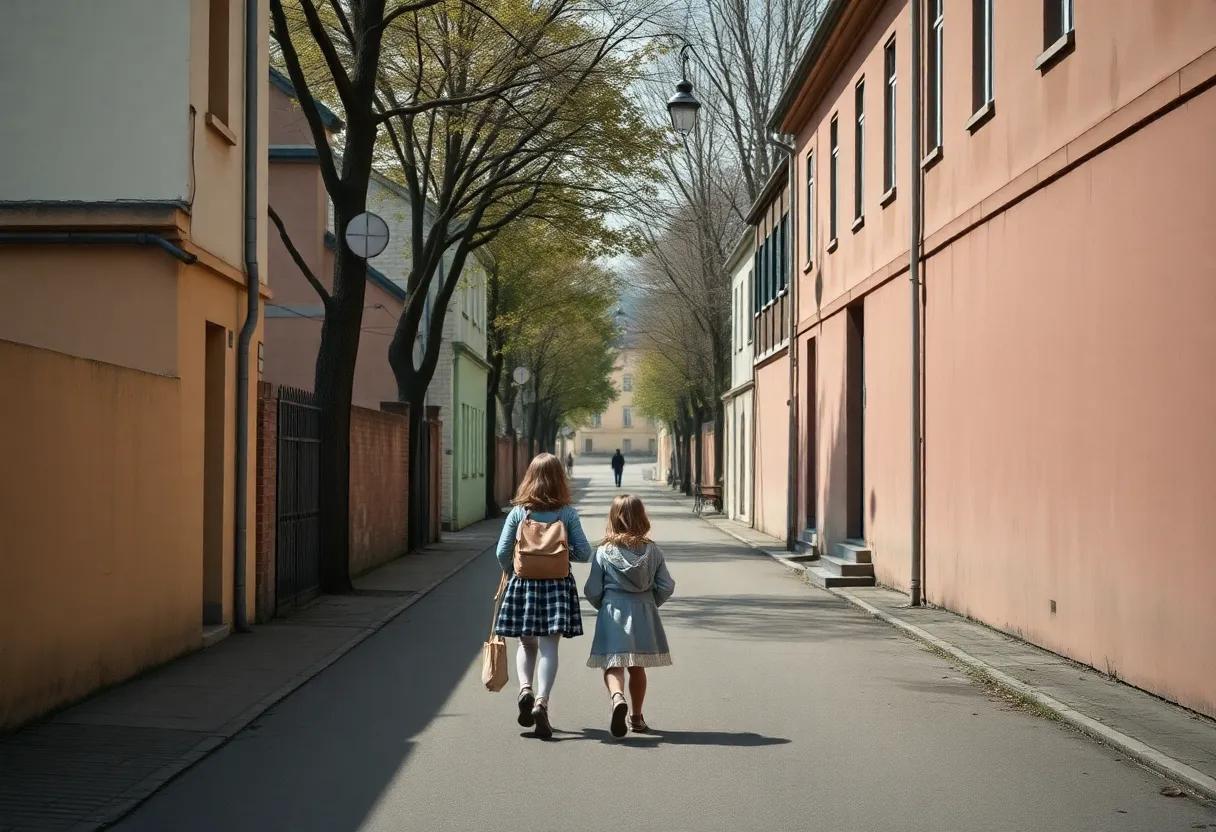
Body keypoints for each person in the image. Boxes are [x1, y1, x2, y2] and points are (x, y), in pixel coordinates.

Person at [494, 453, 592, 739]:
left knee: (526, 644)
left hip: (524, 584)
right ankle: (541, 702)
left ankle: (525, 689)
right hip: (557, 586)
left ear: (530, 478)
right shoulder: (566, 513)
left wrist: (514, 570)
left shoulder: (519, 513)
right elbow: (584, 552)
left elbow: (501, 552)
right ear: (559, 478)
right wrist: (560, 554)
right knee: (549, 647)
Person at [584, 494, 675, 737]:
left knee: (613, 662)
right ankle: (636, 718)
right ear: (642, 517)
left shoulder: (604, 552)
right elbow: (666, 585)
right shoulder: (653, 551)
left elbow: (592, 589)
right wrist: (650, 602)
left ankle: (617, 697)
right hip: (643, 612)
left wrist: (603, 604)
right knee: (637, 666)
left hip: (613, 612)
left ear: (613, 518)